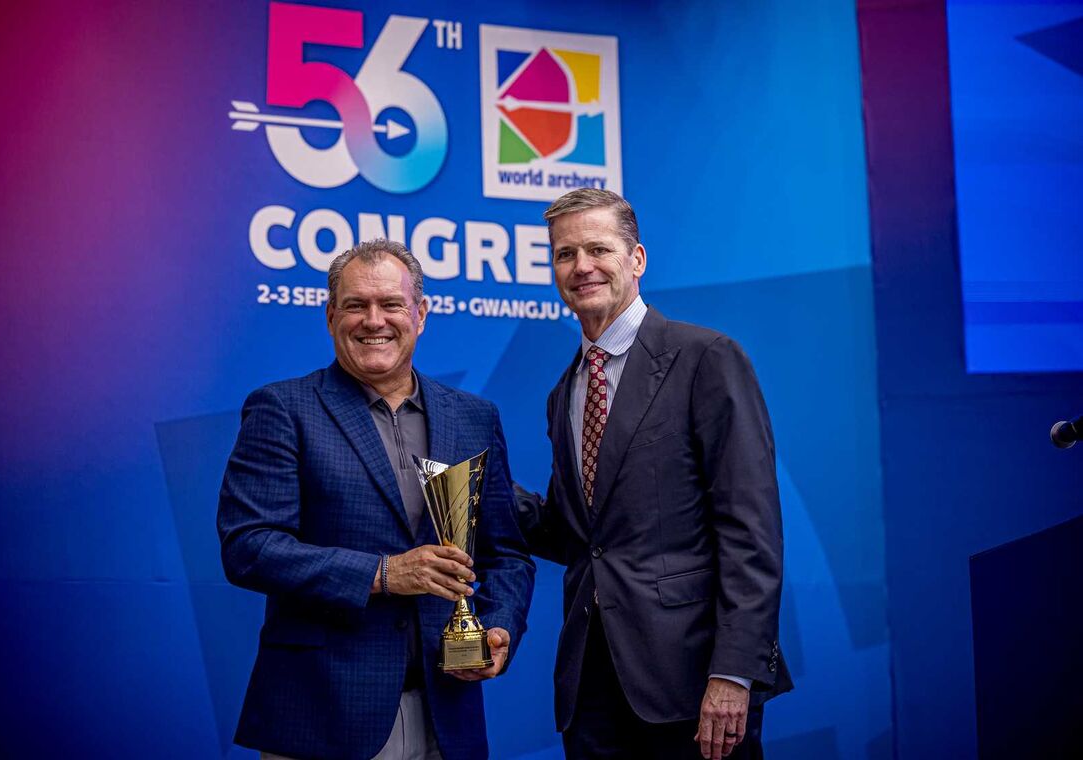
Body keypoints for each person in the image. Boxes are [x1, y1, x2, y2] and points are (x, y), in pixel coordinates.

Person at [218, 239, 534, 760]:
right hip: (323, 717)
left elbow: (505, 554)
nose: (374, 320)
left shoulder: (474, 417)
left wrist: (497, 628)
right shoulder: (282, 409)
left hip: (447, 715)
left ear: (421, 314)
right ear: (330, 316)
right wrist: (384, 574)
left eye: (390, 304)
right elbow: (249, 547)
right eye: (355, 305)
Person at [516, 189, 791, 759]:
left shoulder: (706, 358)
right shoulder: (563, 393)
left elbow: (750, 530)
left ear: (636, 258)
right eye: (565, 254)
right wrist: (484, 492)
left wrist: (734, 672)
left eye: (598, 249)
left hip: (693, 683)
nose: (582, 266)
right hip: (592, 691)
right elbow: (578, 538)